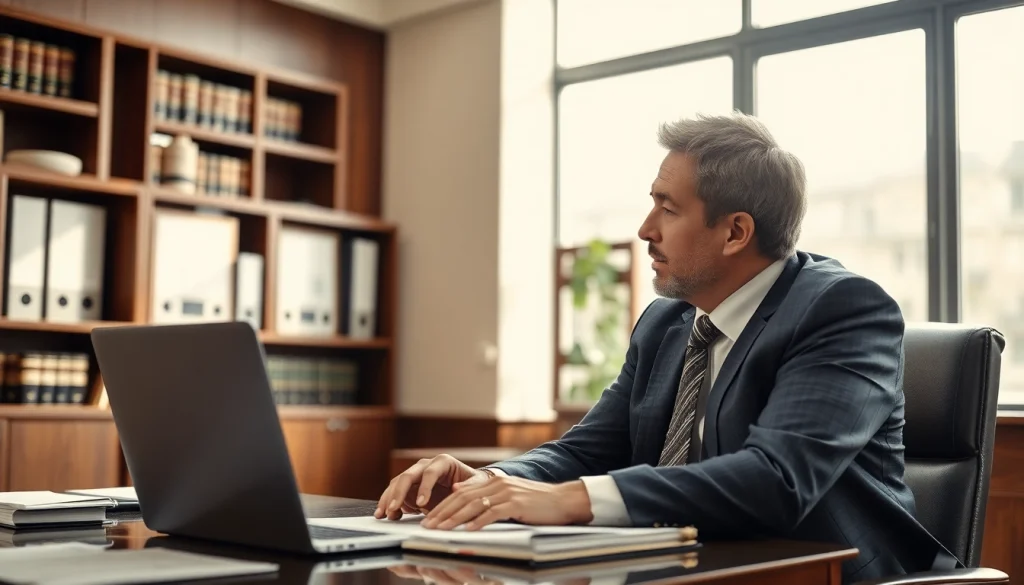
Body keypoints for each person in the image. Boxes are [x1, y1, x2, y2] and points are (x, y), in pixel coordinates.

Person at [375, 112, 955, 583]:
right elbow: (588, 451)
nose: (644, 228)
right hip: (688, 569)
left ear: (735, 232)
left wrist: (568, 501)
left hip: (823, 574)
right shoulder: (667, 321)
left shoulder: (843, 310)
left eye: (667, 208)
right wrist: (491, 482)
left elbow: (777, 481)